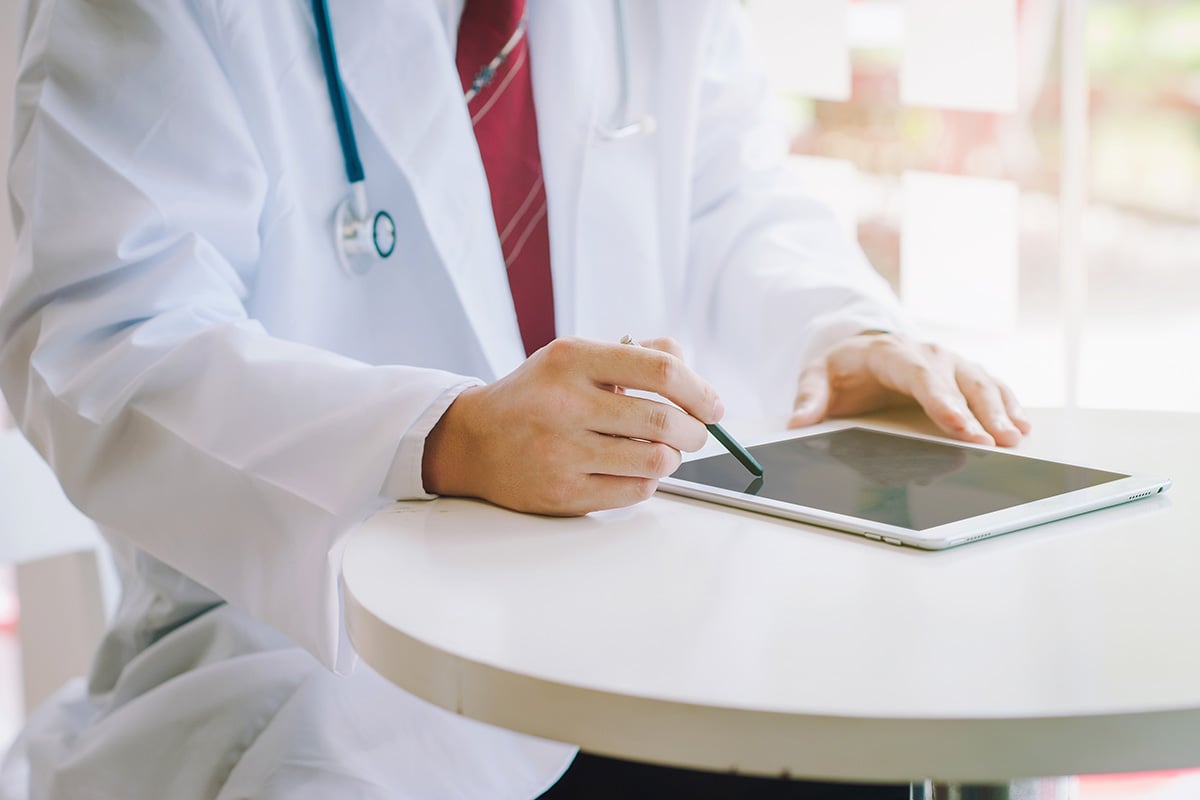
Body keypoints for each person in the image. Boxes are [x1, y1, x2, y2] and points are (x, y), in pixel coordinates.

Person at [0, 1, 1030, 798]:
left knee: (862, 734)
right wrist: (437, 439)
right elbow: (104, 336)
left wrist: (833, 333)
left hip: (647, 594)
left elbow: (729, 195)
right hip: (317, 658)